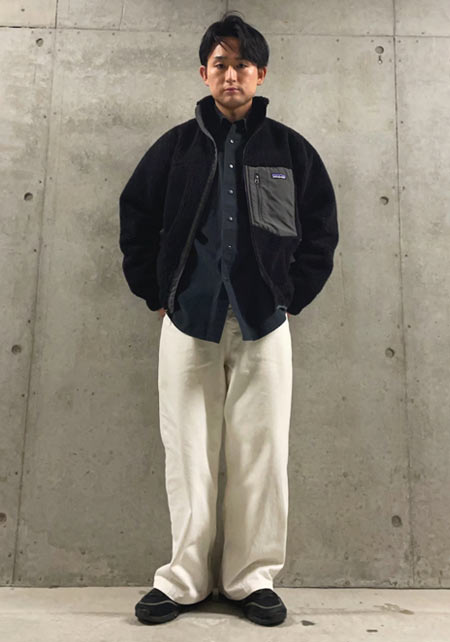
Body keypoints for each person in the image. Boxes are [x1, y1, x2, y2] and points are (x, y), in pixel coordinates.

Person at [119, 10, 338, 627]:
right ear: (204, 73)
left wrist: (290, 295)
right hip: (189, 319)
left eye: (243, 64)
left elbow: (320, 230)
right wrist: (155, 292)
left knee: (261, 454)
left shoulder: (290, 150)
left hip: (263, 322)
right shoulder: (176, 149)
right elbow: (136, 217)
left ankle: (250, 579)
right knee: (187, 452)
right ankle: (183, 580)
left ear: (261, 73)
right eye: (221, 64)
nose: (232, 74)